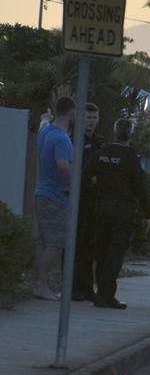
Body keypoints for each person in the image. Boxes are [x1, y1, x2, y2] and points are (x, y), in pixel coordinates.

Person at [88, 118, 150, 309]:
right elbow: (140, 188)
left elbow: (85, 176)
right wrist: (149, 214)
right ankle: (107, 295)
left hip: (101, 208)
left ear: (114, 132)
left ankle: (101, 294)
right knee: (114, 254)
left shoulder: (102, 153)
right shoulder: (131, 157)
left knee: (101, 252)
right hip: (122, 210)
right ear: (130, 134)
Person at [33, 97, 76, 300]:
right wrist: (71, 185)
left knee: (43, 242)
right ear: (71, 113)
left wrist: (45, 118)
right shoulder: (62, 138)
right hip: (55, 196)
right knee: (56, 242)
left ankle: (38, 284)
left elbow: (43, 122)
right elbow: (63, 165)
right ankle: (41, 285)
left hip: (41, 193)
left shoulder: (46, 132)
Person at [71, 102, 102, 302]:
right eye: (87, 118)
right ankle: (73, 287)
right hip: (77, 199)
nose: (90, 122)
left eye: (94, 118)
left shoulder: (100, 144)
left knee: (90, 245)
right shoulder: (73, 140)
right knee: (75, 244)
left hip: (95, 201)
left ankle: (86, 286)